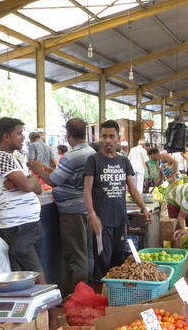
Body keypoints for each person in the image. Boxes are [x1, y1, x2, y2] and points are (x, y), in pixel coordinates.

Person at [30, 118, 95, 296]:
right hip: (86, 209)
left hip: (72, 211)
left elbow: (53, 180)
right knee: (87, 254)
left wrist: (38, 168)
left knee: (76, 256)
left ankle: (78, 296)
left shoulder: (72, 155)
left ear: (68, 135)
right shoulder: (90, 151)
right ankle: (88, 291)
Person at [84, 120, 151, 280]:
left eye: (111, 136)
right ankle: (100, 299)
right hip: (102, 223)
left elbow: (132, 188)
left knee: (117, 262)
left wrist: (143, 207)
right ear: (100, 138)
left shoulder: (123, 161)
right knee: (102, 263)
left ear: (118, 138)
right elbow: (86, 189)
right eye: (104, 136)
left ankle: (113, 299)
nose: (107, 140)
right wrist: (92, 215)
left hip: (120, 221)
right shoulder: (93, 160)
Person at [0, 117, 45, 283]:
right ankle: (47, 307)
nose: (23, 137)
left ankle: (42, 307)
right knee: (35, 274)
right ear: (6, 136)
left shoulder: (14, 157)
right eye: (19, 133)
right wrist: (28, 181)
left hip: (28, 224)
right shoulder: (0, 157)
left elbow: (38, 188)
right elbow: (28, 186)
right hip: (18, 225)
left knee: (28, 274)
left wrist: (27, 180)